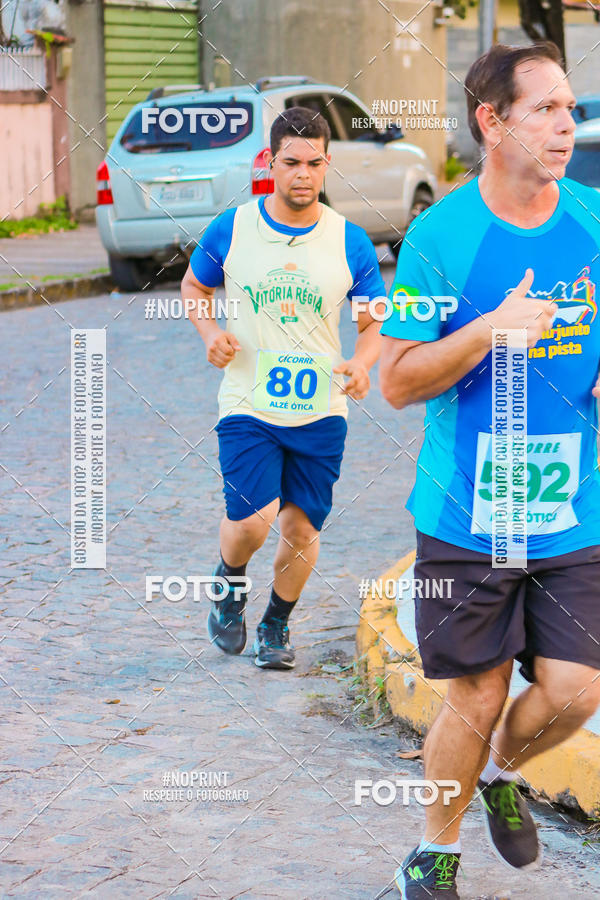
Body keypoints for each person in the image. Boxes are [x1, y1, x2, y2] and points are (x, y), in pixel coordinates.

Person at [378, 42, 600, 899]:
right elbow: (396, 380)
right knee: (472, 696)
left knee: (577, 693)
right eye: (545, 108)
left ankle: (500, 771)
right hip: (469, 514)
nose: (565, 125)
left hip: (571, 509)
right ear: (491, 121)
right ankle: (432, 853)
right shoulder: (442, 237)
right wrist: (486, 333)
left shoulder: (591, 220)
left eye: (570, 108)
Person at [181, 106, 384, 670]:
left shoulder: (352, 241)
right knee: (252, 518)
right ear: (271, 162)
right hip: (247, 400)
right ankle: (229, 581)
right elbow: (195, 286)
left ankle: (275, 625)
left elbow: (373, 323)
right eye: (291, 162)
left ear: (327, 164)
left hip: (321, 409)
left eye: (314, 163)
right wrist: (209, 332)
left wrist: (363, 363)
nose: (303, 174)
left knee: (299, 527)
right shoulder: (235, 226)